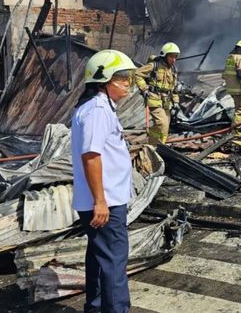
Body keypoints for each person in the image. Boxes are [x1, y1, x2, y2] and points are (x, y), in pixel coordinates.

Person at [72, 49, 136, 313]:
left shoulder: (99, 108)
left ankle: (96, 307)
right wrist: (100, 201)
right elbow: (91, 156)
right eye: (121, 78)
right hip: (104, 203)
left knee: (99, 259)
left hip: (105, 200)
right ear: (103, 81)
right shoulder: (98, 110)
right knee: (114, 262)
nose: (127, 84)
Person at [135, 42, 182, 144]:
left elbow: (174, 89)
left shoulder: (173, 70)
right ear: (164, 56)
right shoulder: (154, 65)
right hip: (154, 98)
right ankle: (157, 147)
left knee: (165, 127)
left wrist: (176, 102)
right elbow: (137, 73)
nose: (174, 60)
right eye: (171, 57)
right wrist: (144, 88)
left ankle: (156, 147)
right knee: (162, 123)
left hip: (167, 102)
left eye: (175, 57)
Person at [222, 39, 241, 136]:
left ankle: (234, 127)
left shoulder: (229, 58)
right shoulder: (240, 58)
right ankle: (235, 131)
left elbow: (224, 74)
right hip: (239, 89)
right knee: (240, 110)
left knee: (237, 108)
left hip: (231, 88)